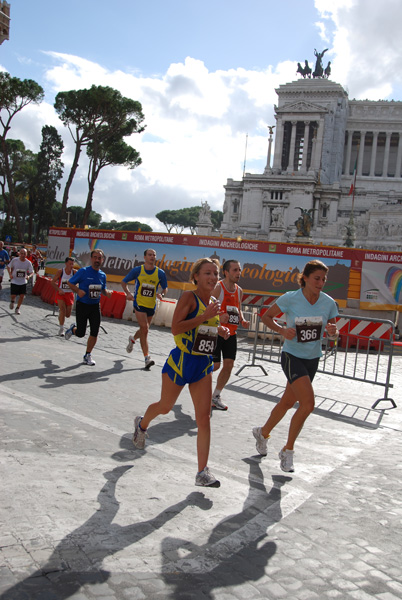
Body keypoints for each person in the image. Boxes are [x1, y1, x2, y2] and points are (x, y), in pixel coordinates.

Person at [132, 258, 230, 487]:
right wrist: (206, 317)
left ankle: (202, 472)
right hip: (180, 363)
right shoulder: (188, 297)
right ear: (196, 276)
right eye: (208, 273)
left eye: (215, 273)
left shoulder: (214, 301)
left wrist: (220, 330)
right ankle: (141, 424)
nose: (213, 277)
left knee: (203, 418)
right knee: (165, 407)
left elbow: (205, 329)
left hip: (202, 365)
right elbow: (176, 328)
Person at [252, 260, 338, 473]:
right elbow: (266, 316)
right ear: (305, 278)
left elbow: (334, 333)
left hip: (312, 358)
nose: (321, 283)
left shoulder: (328, 303)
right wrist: (281, 330)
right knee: (308, 404)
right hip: (292, 356)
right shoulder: (290, 298)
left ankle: (262, 433)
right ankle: (287, 451)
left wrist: (333, 332)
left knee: (287, 402)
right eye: (317, 278)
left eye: (324, 279)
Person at [211, 260, 250, 410]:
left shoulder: (239, 290)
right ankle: (197, 382)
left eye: (239, 270)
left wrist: (242, 319)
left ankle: (215, 395)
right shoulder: (217, 288)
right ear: (226, 272)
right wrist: (219, 317)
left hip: (231, 333)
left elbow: (237, 308)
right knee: (215, 365)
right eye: (235, 270)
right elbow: (207, 307)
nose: (238, 273)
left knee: (229, 365)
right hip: (216, 331)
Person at [121, 248, 168, 370]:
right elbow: (124, 282)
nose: (152, 257)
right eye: (150, 255)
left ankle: (133, 339)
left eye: (154, 255)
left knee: (144, 329)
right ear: (145, 257)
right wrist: (128, 293)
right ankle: (147, 358)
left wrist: (161, 294)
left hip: (151, 305)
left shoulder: (160, 273)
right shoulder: (138, 270)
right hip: (139, 304)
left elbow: (165, 288)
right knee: (145, 329)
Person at [64, 249, 112, 366]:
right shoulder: (83, 272)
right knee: (81, 333)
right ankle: (72, 330)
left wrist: (107, 292)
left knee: (94, 332)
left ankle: (87, 355)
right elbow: (70, 283)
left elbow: (103, 289)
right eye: (95, 257)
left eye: (99, 258)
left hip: (95, 306)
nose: (97, 260)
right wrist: (78, 290)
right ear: (91, 259)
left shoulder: (102, 275)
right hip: (82, 305)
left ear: (102, 260)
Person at [51, 256, 77, 336]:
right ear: (66, 264)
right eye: (70, 264)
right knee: (62, 310)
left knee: (68, 314)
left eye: (72, 264)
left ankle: (61, 315)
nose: (71, 265)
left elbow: (78, 282)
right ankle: (61, 328)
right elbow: (52, 282)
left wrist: (76, 286)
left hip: (69, 294)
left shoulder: (75, 272)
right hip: (61, 294)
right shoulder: (60, 272)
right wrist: (59, 290)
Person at [8, 247, 34, 314]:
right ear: (19, 254)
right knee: (13, 295)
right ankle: (12, 301)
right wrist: (10, 274)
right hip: (14, 280)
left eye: (24, 254)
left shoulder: (28, 263)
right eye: (21, 253)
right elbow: (8, 266)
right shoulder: (15, 260)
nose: (23, 255)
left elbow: (32, 272)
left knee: (22, 296)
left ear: (26, 254)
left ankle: (18, 308)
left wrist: (28, 276)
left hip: (23, 281)